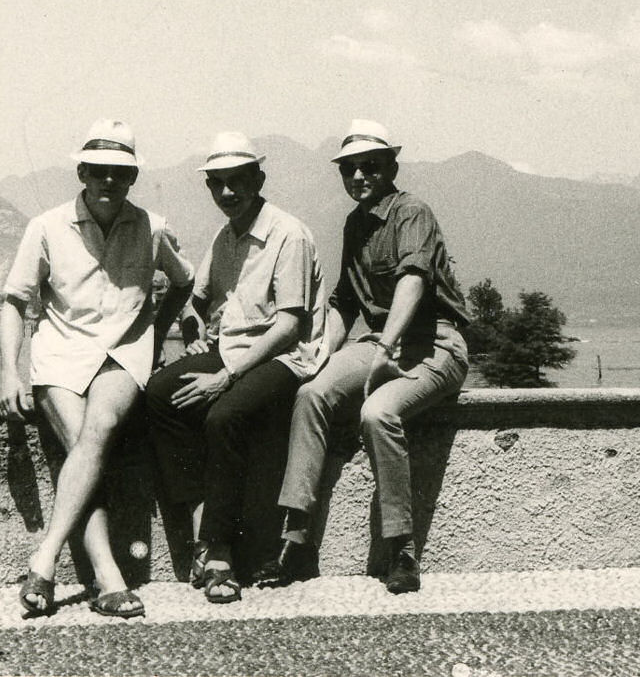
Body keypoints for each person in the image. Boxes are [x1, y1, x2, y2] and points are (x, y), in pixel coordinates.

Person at [0, 119, 194, 620]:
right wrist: (9, 374)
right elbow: (15, 303)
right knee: (82, 445)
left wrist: (154, 332)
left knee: (98, 427)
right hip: (60, 354)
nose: (110, 180)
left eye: (121, 173)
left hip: (123, 354)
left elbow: (184, 282)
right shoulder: (46, 227)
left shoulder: (153, 228)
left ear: (133, 178)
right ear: (81, 172)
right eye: (100, 170)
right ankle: (108, 577)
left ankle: (45, 559)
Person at [265, 119, 471, 594]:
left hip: (435, 342)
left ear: (391, 167)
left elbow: (413, 280)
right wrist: (321, 354)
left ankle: (401, 549)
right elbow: (344, 301)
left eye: (370, 166)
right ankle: (297, 541)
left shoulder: (412, 213)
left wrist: (384, 347)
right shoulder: (355, 224)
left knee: (377, 413)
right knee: (311, 394)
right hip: (380, 340)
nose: (359, 176)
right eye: (349, 168)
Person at [144, 131, 326, 605]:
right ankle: (202, 517)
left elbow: (290, 326)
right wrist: (193, 329)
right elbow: (196, 298)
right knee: (159, 394)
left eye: (237, 180)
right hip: (233, 350)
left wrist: (226, 377)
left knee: (224, 415)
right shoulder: (226, 237)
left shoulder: (288, 234)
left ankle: (220, 551)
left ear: (258, 179)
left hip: (286, 357)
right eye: (217, 183)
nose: (227, 192)